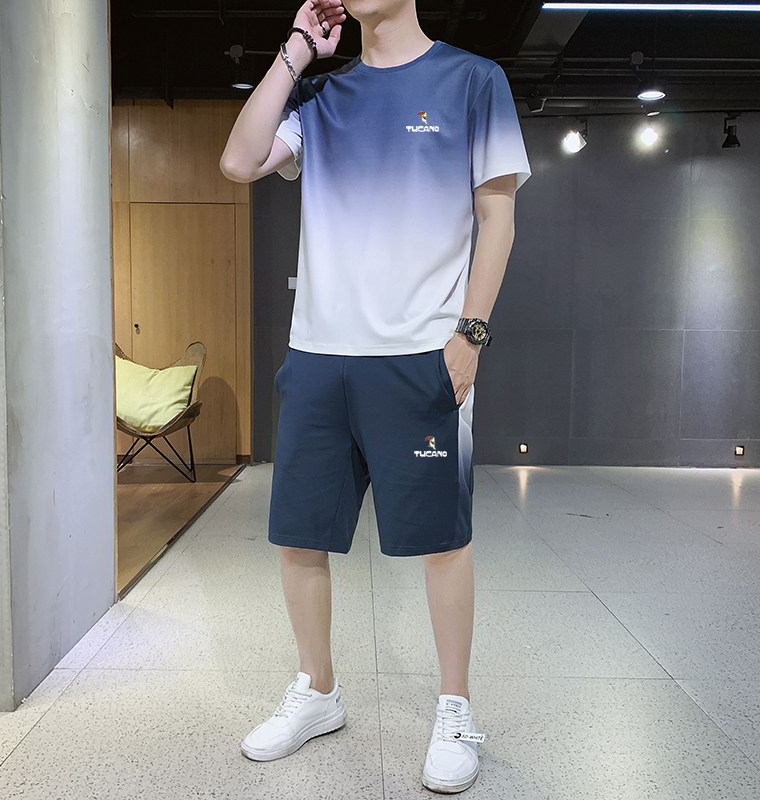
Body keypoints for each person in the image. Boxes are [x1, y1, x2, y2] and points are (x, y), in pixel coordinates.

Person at [220, 0, 530, 792]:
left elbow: (497, 217)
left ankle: (454, 706)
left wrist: (470, 334)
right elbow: (239, 161)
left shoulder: (473, 81)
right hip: (319, 355)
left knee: (441, 538)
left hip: (420, 355)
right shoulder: (323, 95)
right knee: (300, 535)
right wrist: (297, 50)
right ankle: (318, 690)